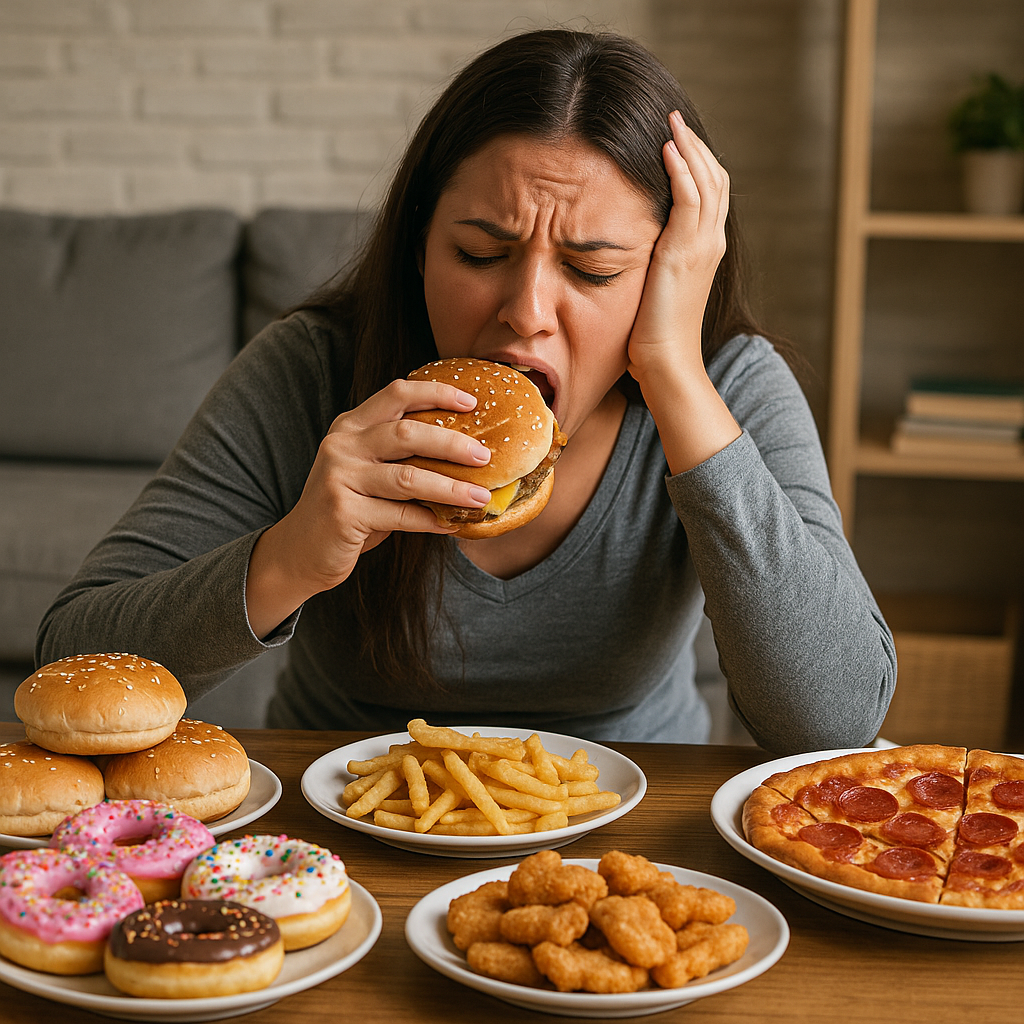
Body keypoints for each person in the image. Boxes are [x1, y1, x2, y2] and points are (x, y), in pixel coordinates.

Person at [37, 29, 895, 753]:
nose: (525, 314)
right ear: (418, 247)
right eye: (480, 255)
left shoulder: (730, 385)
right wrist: (293, 553)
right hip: (350, 833)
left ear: (671, 272)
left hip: (632, 836)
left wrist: (672, 370)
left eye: (593, 270)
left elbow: (835, 722)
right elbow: (67, 659)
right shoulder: (312, 370)